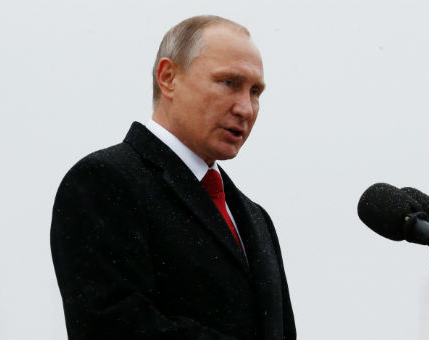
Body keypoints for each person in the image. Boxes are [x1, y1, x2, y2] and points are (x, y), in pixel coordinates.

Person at [50, 15, 295, 340]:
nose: (245, 109)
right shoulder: (103, 181)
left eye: (255, 92)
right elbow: (112, 326)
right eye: (229, 83)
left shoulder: (256, 219)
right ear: (168, 78)